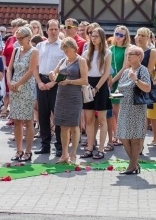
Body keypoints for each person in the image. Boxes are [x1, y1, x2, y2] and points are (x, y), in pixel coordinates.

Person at [115, 45, 153, 175]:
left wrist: (135, 79)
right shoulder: (126, 71)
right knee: (124, 136)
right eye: (127, 55)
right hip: (124, 107)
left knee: (135, 137)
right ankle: (134, 163)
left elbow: (147, 88)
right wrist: (116, 92)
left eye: (130, 54)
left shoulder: (143, 70)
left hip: (136, 108)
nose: (128, 57)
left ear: (139, 57)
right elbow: (120, 87)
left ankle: (131, 166)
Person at [50, 38, 88, 164]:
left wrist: (70, 81)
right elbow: (55, 75)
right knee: (62, 125)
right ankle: (64, 154)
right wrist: (52, 75)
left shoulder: (81, 60)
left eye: (67, 50)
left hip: (74, 95)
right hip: (61, 95)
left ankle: (73, 154)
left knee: (73, 125)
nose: (65, 52)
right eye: (64, 50)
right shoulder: (63, 60)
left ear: (74, 48)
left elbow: (84, 80)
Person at [7, 26, 38, 162]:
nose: (18, 40)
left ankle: (28, 151)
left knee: (28, 120)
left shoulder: (34, 51)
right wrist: (9, 82)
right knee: (17, 120)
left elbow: (31, 71)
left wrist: (18, 83)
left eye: (21, 38)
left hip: (26, 87)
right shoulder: (15, 50)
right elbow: (9, 68)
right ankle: (18, 150)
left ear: (28, 37)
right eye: (17, 38)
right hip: (14, 87)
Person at [35, 19, 66, 158]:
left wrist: (53, 83)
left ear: (59, 30)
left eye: (56, 29)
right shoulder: (40, 46)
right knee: (43, 115)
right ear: (46, 30)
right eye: (51, 29)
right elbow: (34, 67)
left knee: (58, 115)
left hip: (56, 83)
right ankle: (45, 145)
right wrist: (39, 82)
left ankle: (59, 146)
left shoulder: (63, 46)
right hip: (41, 81)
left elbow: (65, 68)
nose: (53, 31)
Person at [81, 27, 112, 160]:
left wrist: (96, 88)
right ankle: (89, 148)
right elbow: (83, 71)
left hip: (101, 85)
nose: (94, 38)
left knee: (102, 119)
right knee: (89, 119)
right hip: (88, 84)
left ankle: (100, 149)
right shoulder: (86, 53)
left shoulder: (107, 53)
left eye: (96, 36)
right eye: (92, 35)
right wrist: (88, 86)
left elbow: (106, 73)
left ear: (102, 38)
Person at [107, 25, 131, 149]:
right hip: (109, 80)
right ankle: (114, 134)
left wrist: (113, 81)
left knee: (118, 111)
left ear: (125, 37)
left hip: (120, 82)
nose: (118, 36)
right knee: (110, 111)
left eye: (121, 35)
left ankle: (120, 134)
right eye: (117, 34)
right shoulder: (110, 48)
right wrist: (108, 80)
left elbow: (125, 67)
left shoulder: (127, 49)